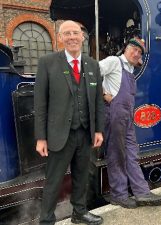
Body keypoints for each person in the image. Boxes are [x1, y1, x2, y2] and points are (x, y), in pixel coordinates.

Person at [34, 20, 104, 225]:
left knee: (82, 176)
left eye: (76, 32)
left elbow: (99, 101)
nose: (72, 36)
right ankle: (46, 219)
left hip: (85, 132)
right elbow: (40, 103)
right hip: (58, 133)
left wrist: (98, 130)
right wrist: (41, 137)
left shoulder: (92, 64)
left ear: (82, 37)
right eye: (67, 33)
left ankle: (79, 212)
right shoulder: (47, 62)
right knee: (54, 180)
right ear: (60, 38)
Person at [99, 37, 161, 209]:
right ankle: (118, 195)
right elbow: (91, 74)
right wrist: (103, 93)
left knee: (132, 154)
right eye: (133, 49)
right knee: (116, 155)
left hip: (126, 117)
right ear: (125, 49)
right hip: (114, 115)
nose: (136, 53)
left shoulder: (130, 69)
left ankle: (142, 192)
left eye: (139, 52)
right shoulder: (114, 61)